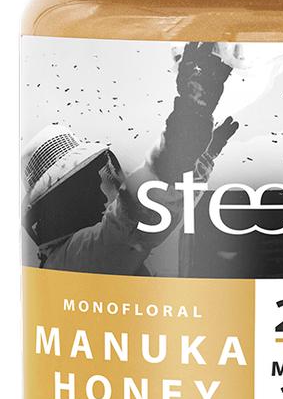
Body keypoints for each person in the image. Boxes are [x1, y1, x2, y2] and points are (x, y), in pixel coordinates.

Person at [21, 42, 238, 275]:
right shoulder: (73, 259)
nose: (98, 193)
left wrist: (201, 157)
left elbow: (164, 210)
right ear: (61, 204)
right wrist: (190, 116)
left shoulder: (80, 260)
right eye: (83, 187)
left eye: (93, 180)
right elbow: (136, 217)